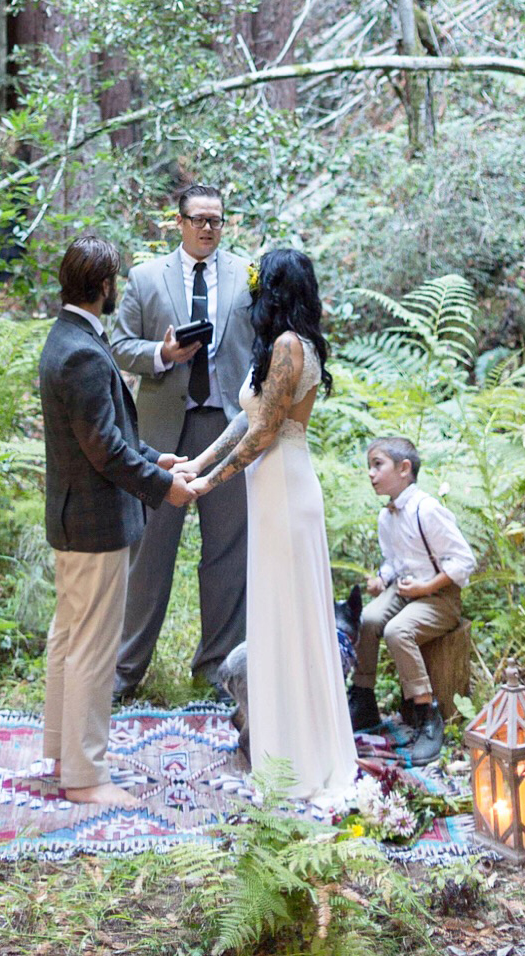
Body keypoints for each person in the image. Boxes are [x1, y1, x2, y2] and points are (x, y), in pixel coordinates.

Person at [181, 247, 357, 804]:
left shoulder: (288, 346)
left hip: (283, 487)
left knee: (288, 617)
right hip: (273, 486)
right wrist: (197, 462)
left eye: (258, 282)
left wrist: (209, 484)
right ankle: (285, 744)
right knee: (279, 615)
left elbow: (263, 435)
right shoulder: (284, 345)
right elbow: (246, 420)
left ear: (274, 289)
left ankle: (298, 759)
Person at [39, 234, 193, 807]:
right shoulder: (80, 351)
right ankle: (84, 776)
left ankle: (60, 748)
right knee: (93, 646)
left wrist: (156, 458)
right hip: (94, 523)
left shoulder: (67, 337)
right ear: (105, 287)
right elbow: (102, 449)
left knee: (68, 636)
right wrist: (164, 488)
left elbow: (100, 439)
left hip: (75, 518)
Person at [109, 183, 254, 696]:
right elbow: (119, 345)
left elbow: (263, 344)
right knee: (149, 551)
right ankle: (124, 672)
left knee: (227, 551)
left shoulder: (247, 275)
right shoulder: (147, 277)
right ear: (179, 222)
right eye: (199, 219)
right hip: (163, 431)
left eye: (216, 220)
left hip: (228, 424)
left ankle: (216, 669)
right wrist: (162, 355)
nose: (208, 228)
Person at [347, 435, 476, 765]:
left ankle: (426, 714)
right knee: (369, 618)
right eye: (369, 467)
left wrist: (426, 587)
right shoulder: (386, 516)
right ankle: (363, 697)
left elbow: (463, 561)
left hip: (438, 597)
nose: (371, 474)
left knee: (397, 631)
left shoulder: (427, 510)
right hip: (405, 591)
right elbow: (394, 559)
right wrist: (383, 578)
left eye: (378, 465)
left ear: (404, 468)